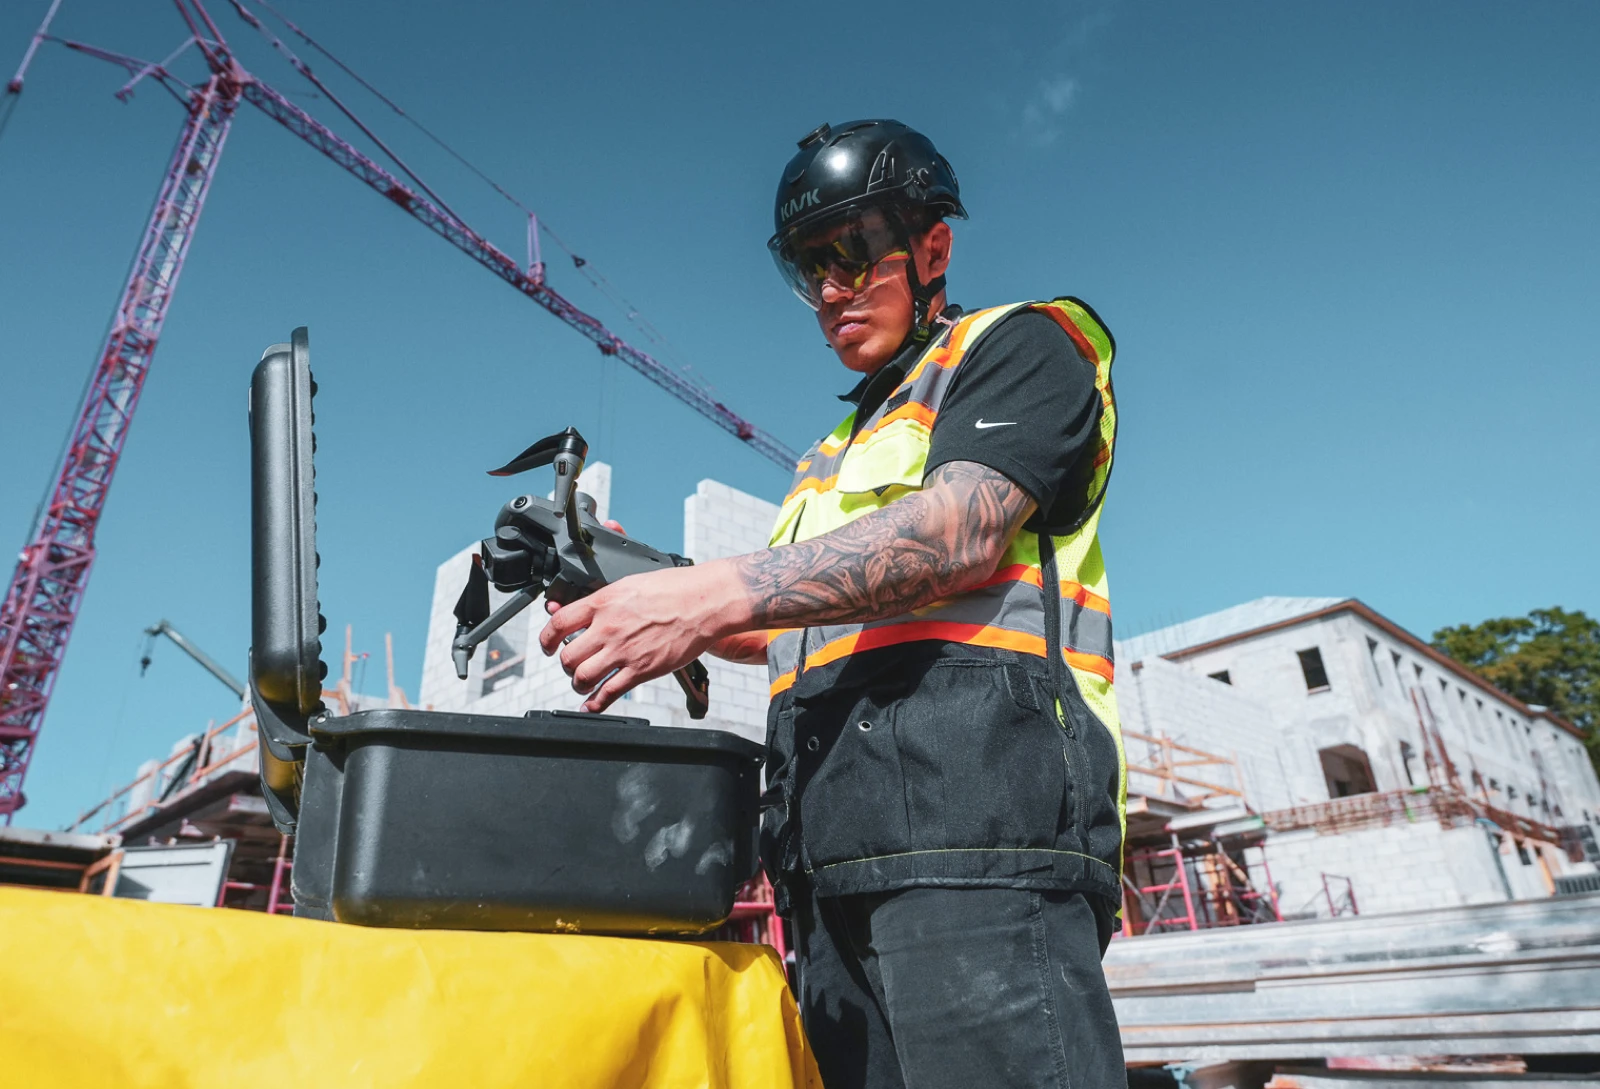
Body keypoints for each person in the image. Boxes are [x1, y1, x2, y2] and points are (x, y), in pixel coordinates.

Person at [540, 119, 1127, 1088]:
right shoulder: (832, 452)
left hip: (979, 836)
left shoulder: (1018, 346)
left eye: (851, 253)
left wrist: (708, 594)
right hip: (827, 856)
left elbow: (960, 530)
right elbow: (780, 617)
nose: (828, 291)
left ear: (932, 246)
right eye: (806, 268)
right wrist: (608, 580)